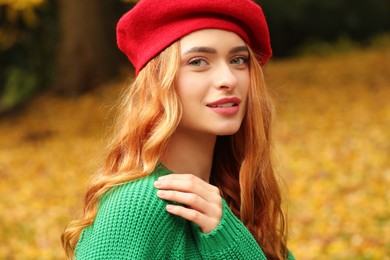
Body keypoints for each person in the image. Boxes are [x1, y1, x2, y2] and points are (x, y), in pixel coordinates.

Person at [62, 0, 294, 259]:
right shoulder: (136, 205)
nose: (228, 79)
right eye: (198, 61)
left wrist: (230, 238)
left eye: (238, 60)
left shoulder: (232, 198)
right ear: (159, 82)